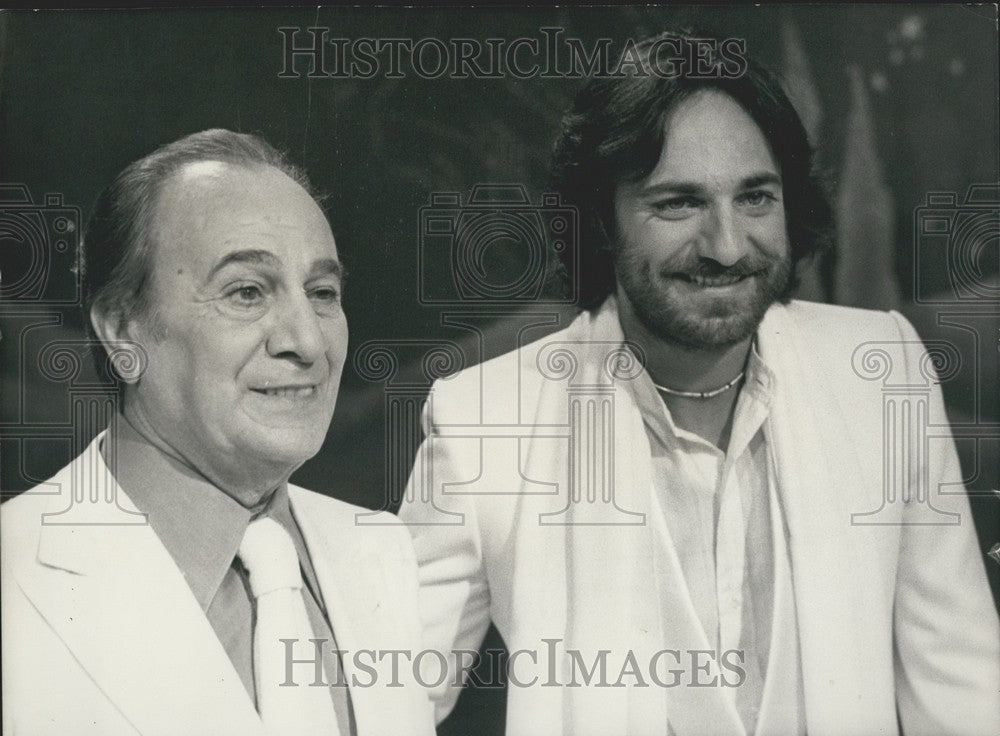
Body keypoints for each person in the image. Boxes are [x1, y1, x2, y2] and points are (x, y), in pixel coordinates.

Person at [398, 32, 1000, 735]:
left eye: (755, 198)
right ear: (601, 220)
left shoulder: (882, 369)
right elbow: (372, 701)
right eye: (678, 203)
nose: (726, 245)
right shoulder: (482, 422)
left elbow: (964, 692)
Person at [1, 129, 434, 736]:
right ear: (123, 330)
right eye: (247, 292)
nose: (307, 342)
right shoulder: (13, 575)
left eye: (323, 293)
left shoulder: (382, 553)